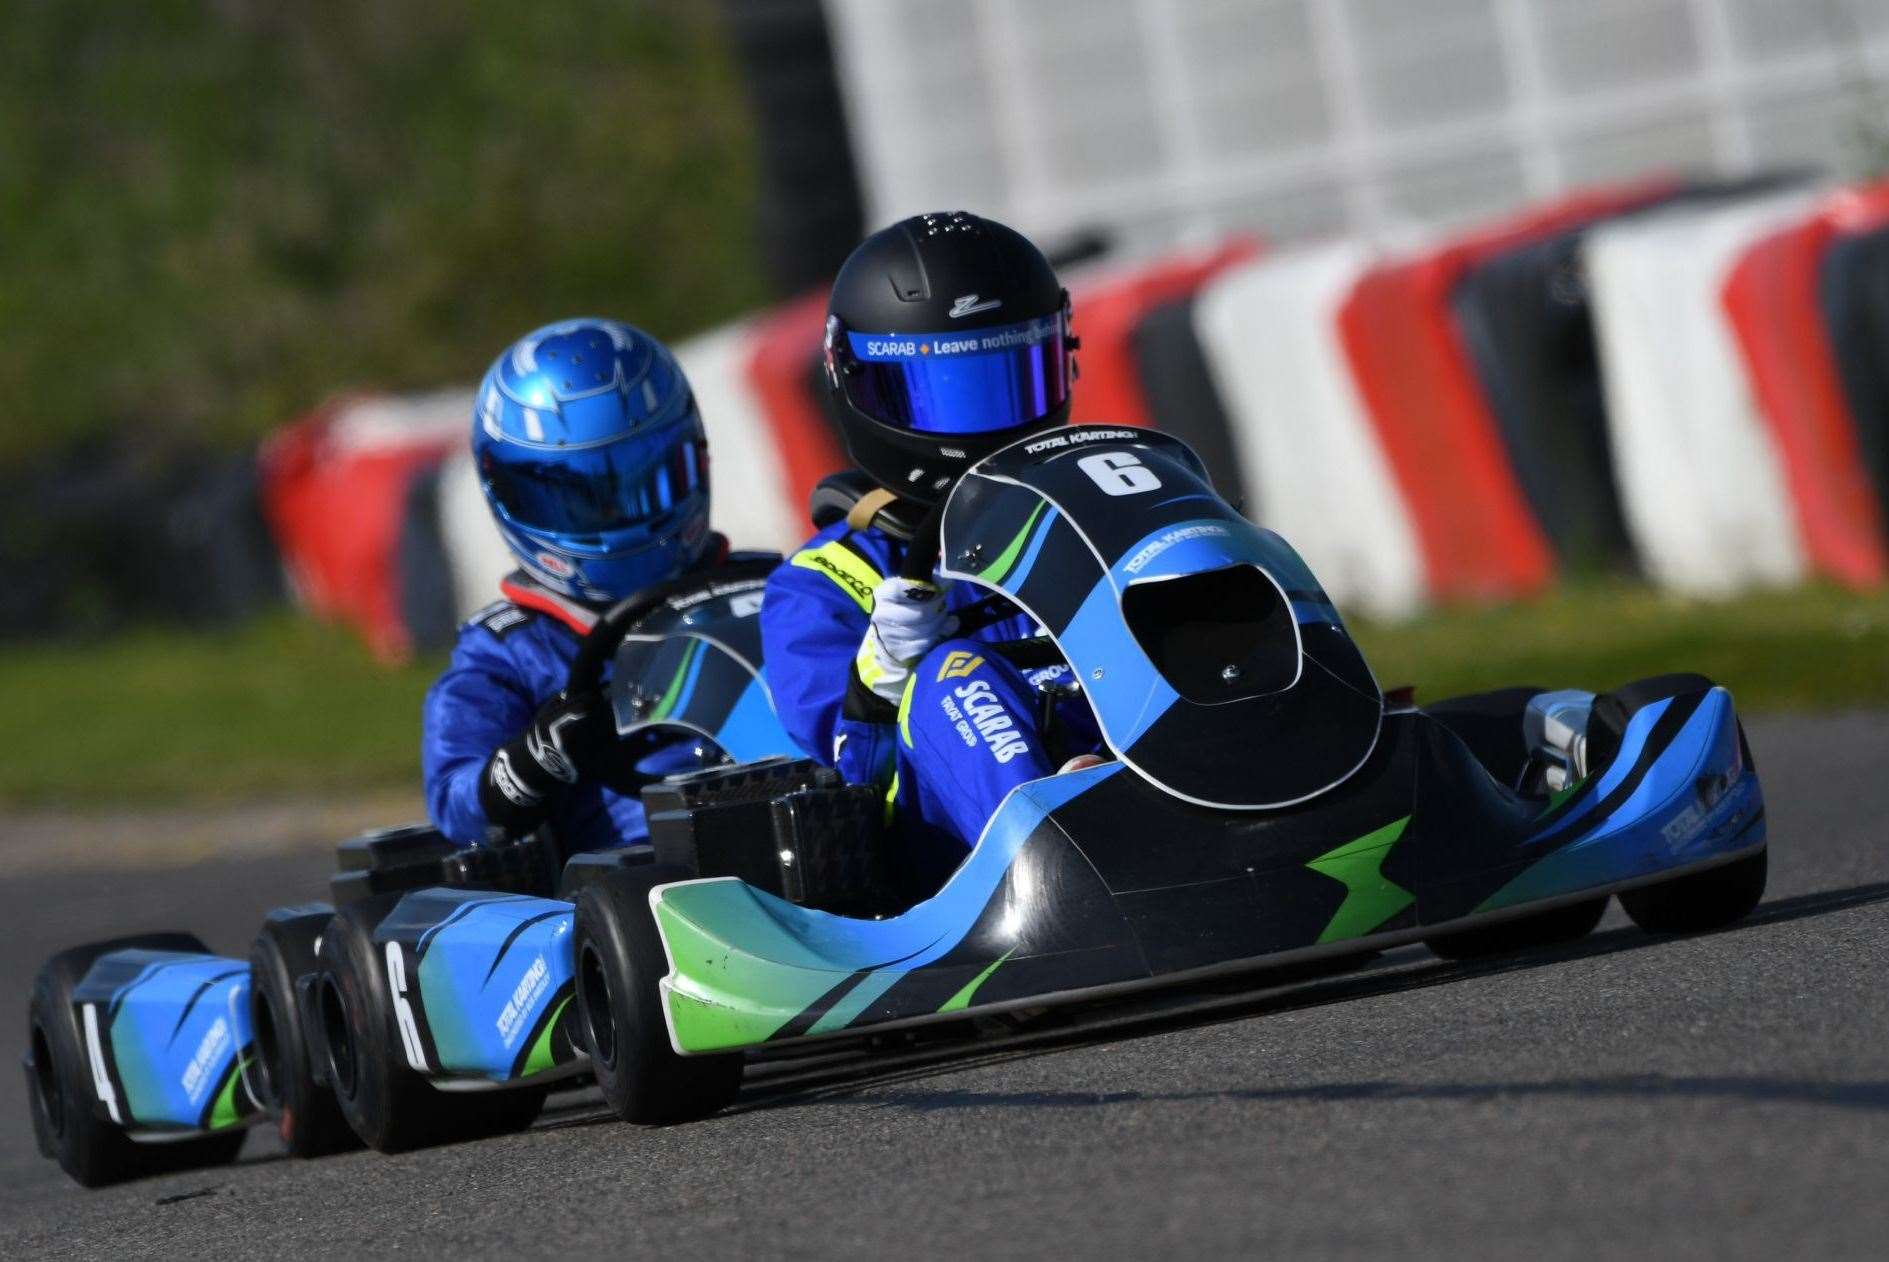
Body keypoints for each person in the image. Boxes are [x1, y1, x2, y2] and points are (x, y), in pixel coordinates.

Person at [761, 211, 1099, 877]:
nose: (988, 424)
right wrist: (883, 671)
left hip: (1130, 757)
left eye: (1011, 380)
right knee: (952, 674)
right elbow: (852, 767)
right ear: (861, 384)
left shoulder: (1086, 517)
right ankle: (1066, 844)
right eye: (947, 394)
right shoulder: (825, 580)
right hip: (948, 860)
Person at [423, 318, 724, 852]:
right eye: (584, 498)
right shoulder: (510, 653)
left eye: (642, 485)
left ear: (693, 457)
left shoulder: (776, 591)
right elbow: (455, 800)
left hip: (808, 835)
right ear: (512, 495)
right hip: (638, 887)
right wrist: (532, 760)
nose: (620, 518)